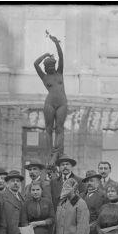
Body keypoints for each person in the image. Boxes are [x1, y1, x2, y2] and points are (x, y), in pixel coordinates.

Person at [34, 32, 67, 166]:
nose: (51, 68)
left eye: (52, 66)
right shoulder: (44, 77)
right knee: (48, 128)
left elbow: (61, 56)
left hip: (62, 103)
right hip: (49, 103)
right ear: (46, 69)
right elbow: (35, 64)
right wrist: (45, 55)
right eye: (48, 67)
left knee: (59, 128)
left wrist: (56, 43)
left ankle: (57, 152)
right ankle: (49, 153)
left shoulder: (59, 72)